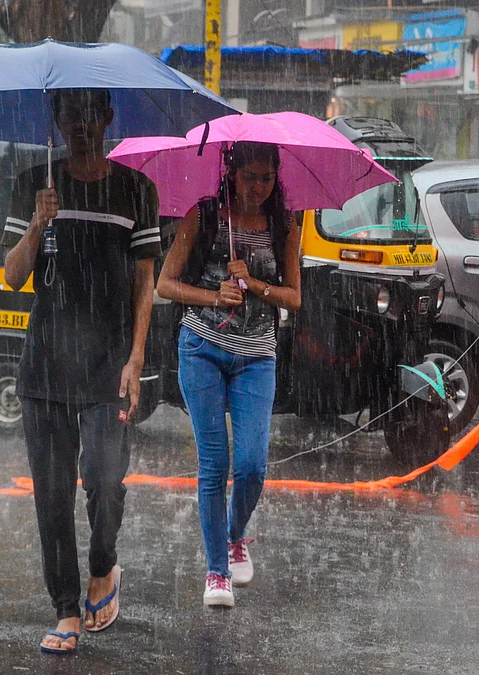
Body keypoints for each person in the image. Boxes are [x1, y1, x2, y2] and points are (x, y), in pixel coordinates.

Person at [2, 88, 160, 654]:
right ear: (57, 120)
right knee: (50, 493)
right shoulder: (31, 184)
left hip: (109, 363)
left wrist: (137, 354)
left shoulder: (135, 188)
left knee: (102, 479)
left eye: (93, 113)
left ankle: (104, 563)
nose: (82, 125)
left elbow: (146, 278)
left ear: (108, 117)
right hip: (45, 364)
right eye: (71, 114)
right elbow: (12, 277)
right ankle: (66, 608)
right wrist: (37, 225)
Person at [156, 142, 302, 608]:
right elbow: (165, 284)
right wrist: (215, 297)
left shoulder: (284, 225)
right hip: (202, 348)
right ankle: (217, 570)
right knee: (215, 464)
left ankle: (235, 535)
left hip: (257, 356)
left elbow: (294, 298)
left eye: (266, 178)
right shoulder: (204, 216)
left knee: (253, 466)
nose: (257, 187)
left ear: (277, 177)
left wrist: (255, 284)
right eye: (248, 177)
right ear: (230, 173)